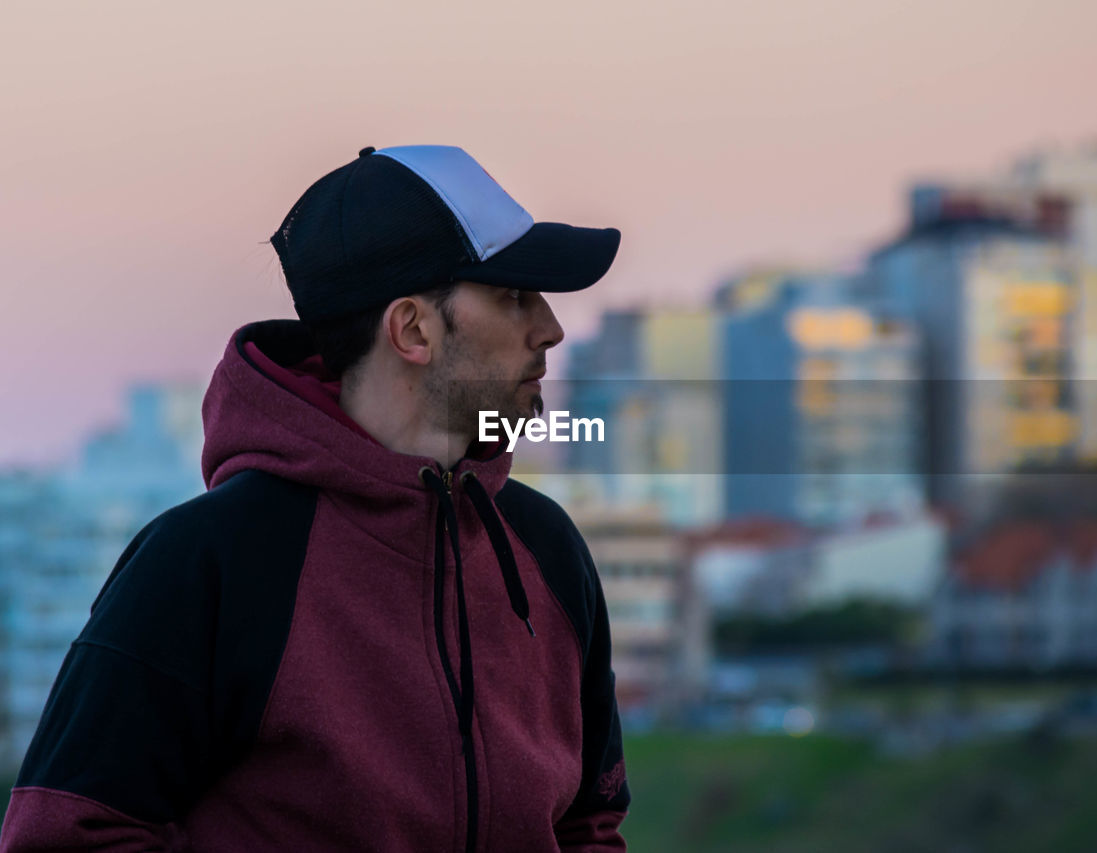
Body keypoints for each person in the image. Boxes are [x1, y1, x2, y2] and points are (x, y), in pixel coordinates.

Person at [0, 145, 630, 851]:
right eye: (515, 295)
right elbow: (64, 835)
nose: (550, 329)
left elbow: (589, 825)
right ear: (413, 329)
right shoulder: (211, 561)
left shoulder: (545, 548)